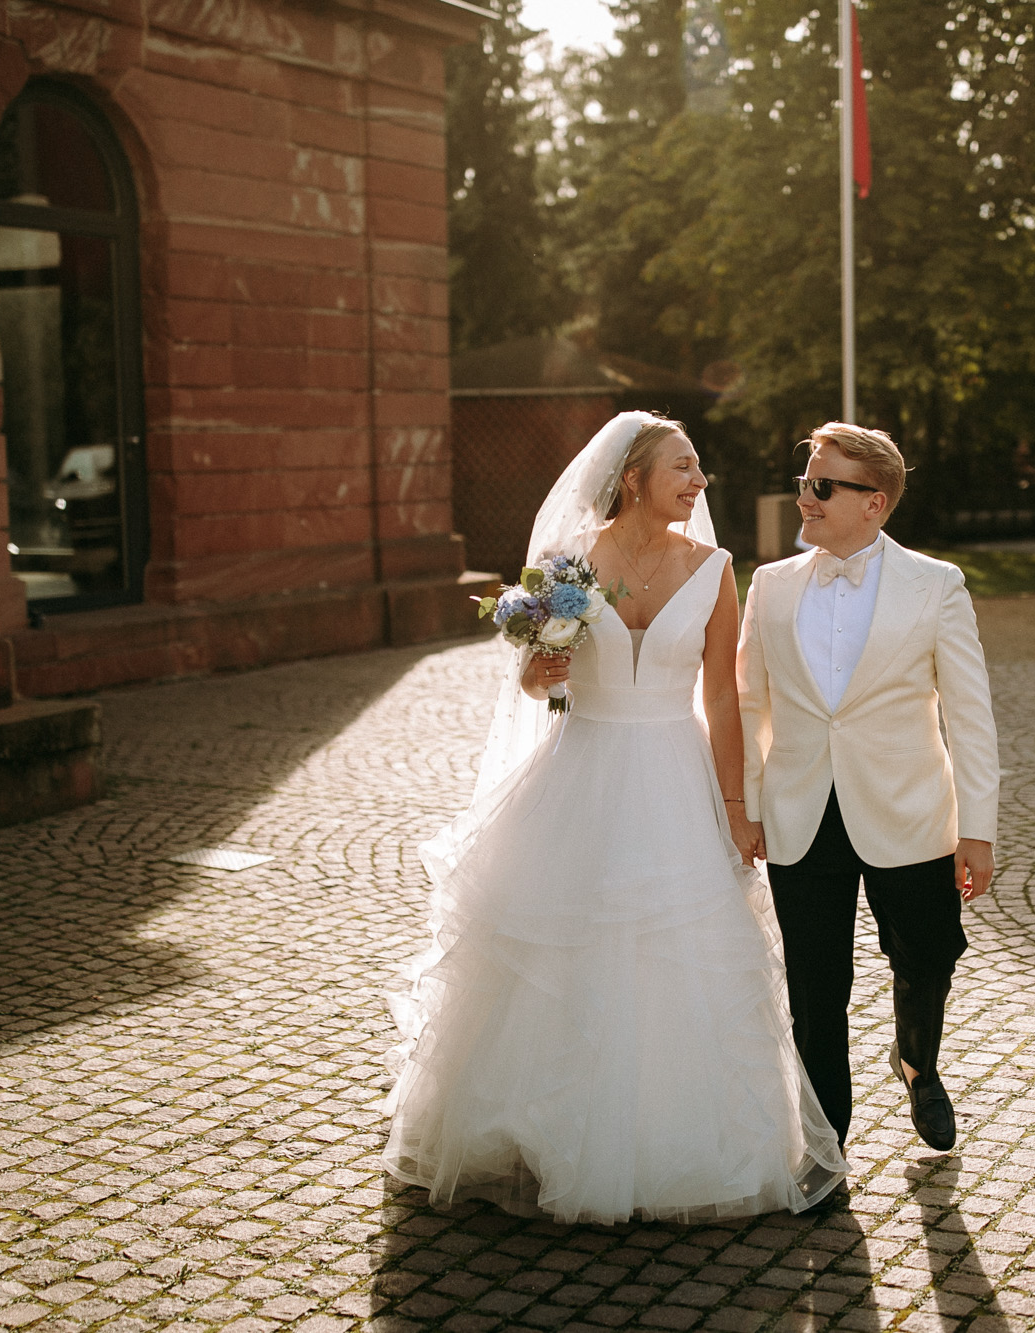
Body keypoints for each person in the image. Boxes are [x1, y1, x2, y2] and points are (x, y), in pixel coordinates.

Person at [384, 412, 845, 1223]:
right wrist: (544, 668)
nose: (700, 480)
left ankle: (675, 1141)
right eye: (683, 466)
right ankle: (541, 1133)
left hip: (674, 776)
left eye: (698, 467)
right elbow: (535, 684)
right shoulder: (567, 565)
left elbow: (722, 699)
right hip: (582, 773)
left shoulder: (715, 569)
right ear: (633, 478)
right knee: (561, 952)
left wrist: (736, 807)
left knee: (678, 956)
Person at [736, 422, 1000, 1153]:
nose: (805, 499)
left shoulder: (937, 585)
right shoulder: (770, 585)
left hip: (909, 810)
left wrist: (977, 829)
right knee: (815, 987)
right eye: (805, 483)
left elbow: (970, 715)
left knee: (929, 956)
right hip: (800, 812)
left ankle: (918, 1064)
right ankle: (826, 1148)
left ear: (873, 502)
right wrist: (748, 804)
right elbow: (750, 704)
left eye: (822, 486)